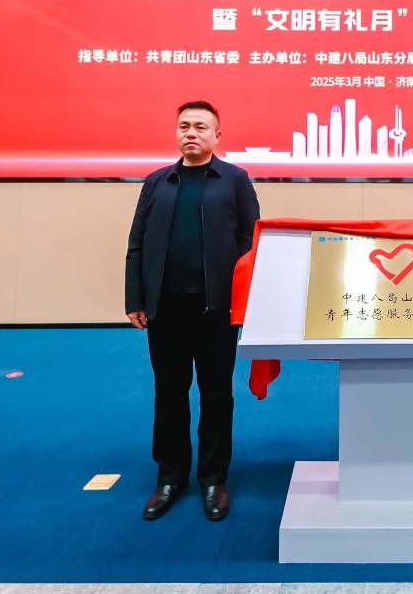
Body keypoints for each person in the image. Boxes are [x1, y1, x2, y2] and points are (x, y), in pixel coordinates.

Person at [125, 100, 260, 522]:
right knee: (169, 393)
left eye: (201, 126)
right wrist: (135, 299)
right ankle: (170, 477)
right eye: (184, 126)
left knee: (216, 395)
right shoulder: (157, 182)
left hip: (216, 309)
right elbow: (137, 243)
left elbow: (251, 244)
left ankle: (213, 479)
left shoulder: (234, 180)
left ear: (217, 135)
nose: (191, 133)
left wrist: (246, 299)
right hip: (165, 309)